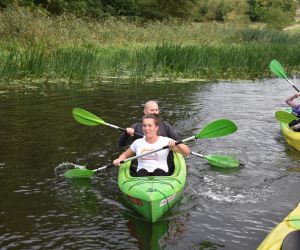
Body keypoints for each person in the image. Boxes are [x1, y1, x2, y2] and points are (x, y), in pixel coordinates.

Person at [113, 114, 190, 177]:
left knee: (158, 171)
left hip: (162, 175)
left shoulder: (166, 141)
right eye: (144, 126)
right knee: (142, 172)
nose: (146, 128)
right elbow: (125, 155)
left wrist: (177, 143)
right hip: (141, 175)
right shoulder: (137, 142)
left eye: (150, 126)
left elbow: (186, 152)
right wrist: (119, 160)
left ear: (156, 128)